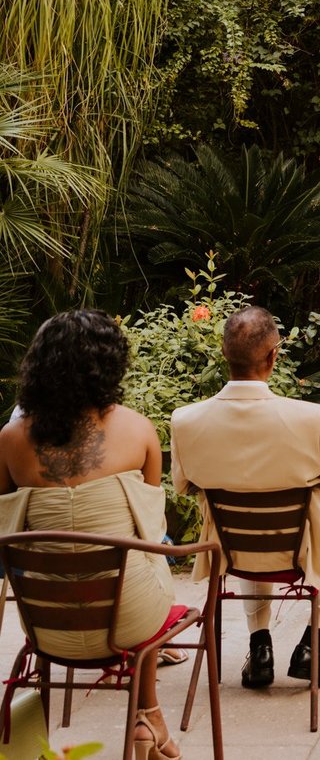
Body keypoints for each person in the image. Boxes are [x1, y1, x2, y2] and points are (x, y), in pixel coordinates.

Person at [0, 311, 181, 760]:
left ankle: (139, 719)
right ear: (110, 364)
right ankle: (148, 716)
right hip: (132, 616)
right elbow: (154, 529)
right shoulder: (138, 430)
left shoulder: (9, 439)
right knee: (147, 563)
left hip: (45, 623)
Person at [170, 306, 320, 692]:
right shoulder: (310, 418)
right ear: (273, 356)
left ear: (224, 354)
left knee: (247, 525)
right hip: (299, 547)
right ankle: (315, 644)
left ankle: (260, 647)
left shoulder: (186, 420)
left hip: (230, 549)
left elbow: (182, 485)